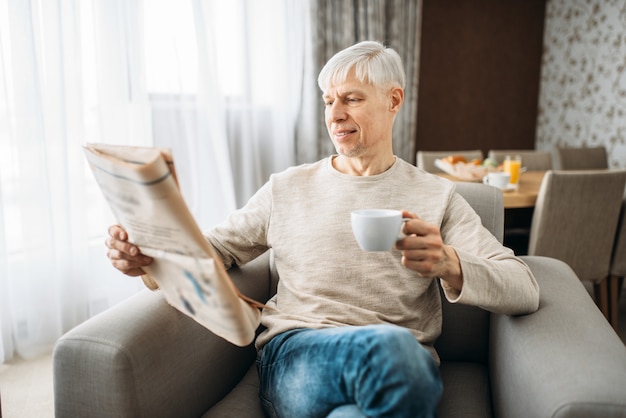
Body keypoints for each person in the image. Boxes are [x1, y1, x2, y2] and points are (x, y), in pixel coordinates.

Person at [106, 41, 540, 418]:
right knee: (396, 352)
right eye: (328, 100)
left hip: (401, 367)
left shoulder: (437, 197)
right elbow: (210, 251)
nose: (335, 114)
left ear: (394, 100)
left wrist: (449, 263)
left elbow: (523, 287)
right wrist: (145, 258)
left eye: (350, 99)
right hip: (298, 355)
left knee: (380, 380)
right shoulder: (288, 187)